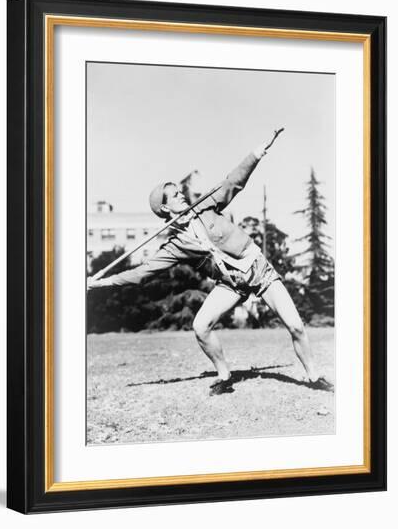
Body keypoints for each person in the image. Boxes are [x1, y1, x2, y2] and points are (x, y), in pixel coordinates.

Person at [87, 130, 332, 395]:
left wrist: (256, 154)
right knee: (200, 327)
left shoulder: (205, 206)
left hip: (258, 269)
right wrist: (101, 282)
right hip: (231, 284)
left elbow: (232, 183)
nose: (182, 195)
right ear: (165, 209)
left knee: (295, 325)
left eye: (180, 191)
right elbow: (143, 273)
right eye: (174, 195)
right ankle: (224, 376)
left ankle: (314, 376)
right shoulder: (175, 245)